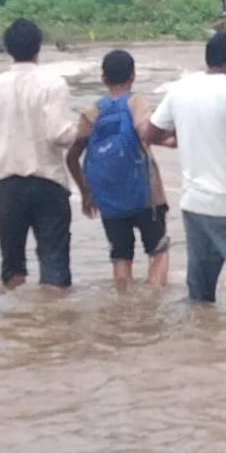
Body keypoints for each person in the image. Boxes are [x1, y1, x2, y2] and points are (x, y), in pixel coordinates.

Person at [145, 30, 226, 306]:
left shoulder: (181, 88)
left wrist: (175, 142)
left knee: (200, 295)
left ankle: (202, 343)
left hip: (195, 206)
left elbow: (150, 133)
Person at [0, 18, 88, 290]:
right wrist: (85, 131)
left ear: (7, 49)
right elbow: (60, 134)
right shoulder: (53, 84)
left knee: (12, 268)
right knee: (55, 268)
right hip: (49, 186)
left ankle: (15, 325)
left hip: (9, 188)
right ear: (38, 48)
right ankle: (51, 326)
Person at [66, 50, 175, 291]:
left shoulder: (91, 113)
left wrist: (86, 192)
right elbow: (144, 131)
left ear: (103, 78)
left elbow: (72, 156)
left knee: (120, 255)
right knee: (158, 250)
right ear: (133, 77)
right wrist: (170, 139)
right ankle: (152, 304)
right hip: (147, 196)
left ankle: (123, 306)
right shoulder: (136, 101)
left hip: (109, 199)